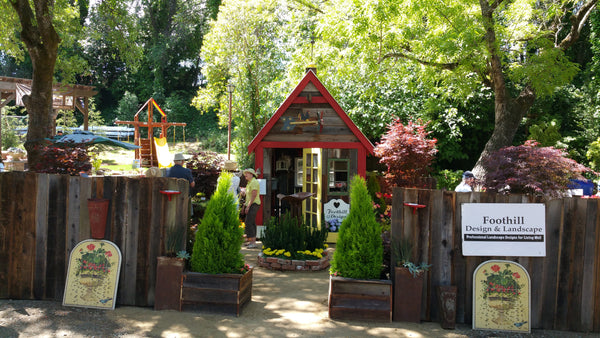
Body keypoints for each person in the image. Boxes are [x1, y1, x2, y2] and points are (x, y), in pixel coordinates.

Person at [243, 168, 260, 248]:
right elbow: (249, 195)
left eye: (247, 173)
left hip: (254, 204)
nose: (245, 175)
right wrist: (245, 205)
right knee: (250, 222)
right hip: (251, 204)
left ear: (252, 174)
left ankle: (253, 243)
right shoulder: (249, 183)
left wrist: (248, 206)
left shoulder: (254, 182)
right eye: (245, 173)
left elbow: (254, 195)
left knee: (249, 222)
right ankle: (251, 241)